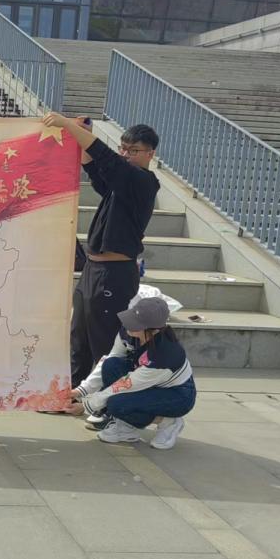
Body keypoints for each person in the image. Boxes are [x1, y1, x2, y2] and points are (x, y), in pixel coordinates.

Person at [42, 112, 160, 400]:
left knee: (104, 340)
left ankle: (107, 401)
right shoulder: (119, 185)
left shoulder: (142, 182)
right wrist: (79, 133)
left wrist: (67, 125)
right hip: (92, 271)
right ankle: (72, 394)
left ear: (150, 154)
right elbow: (96, 168)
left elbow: (107, 159)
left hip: (115, 275)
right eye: (123, 148)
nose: (126, 155)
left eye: (134, 150)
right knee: (79, 336)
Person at [68, 296, 195, 449]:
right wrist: (80, 391)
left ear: (153, 329)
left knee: (116, 404)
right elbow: (111, 358)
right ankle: (126, 427)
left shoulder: (165, 355)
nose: (128, 324)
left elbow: (126, 384)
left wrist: (86, 406)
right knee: (111, 364)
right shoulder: (128, 332)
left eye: (136, 323)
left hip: (176, 395)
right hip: (141, 381)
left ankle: (168, 421)